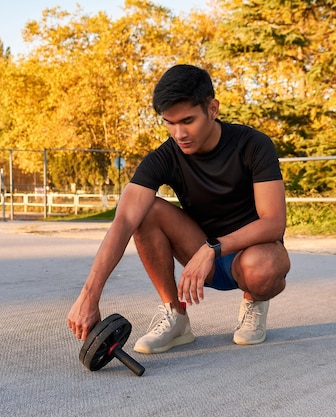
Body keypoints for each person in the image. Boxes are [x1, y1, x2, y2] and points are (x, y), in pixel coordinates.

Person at [67, 64, 291, 353]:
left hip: (250, 255)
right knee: (144, 212)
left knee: (264, 268)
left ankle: (254, 302)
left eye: (187, 120)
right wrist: (89, 295)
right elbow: (123, 221)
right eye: (169, 123)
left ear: (212, 109)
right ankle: (176, 318)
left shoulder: (253, 145)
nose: (179, 133)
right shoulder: (164, 157)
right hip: (197, 251)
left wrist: (213, 248)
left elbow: (274, 222)